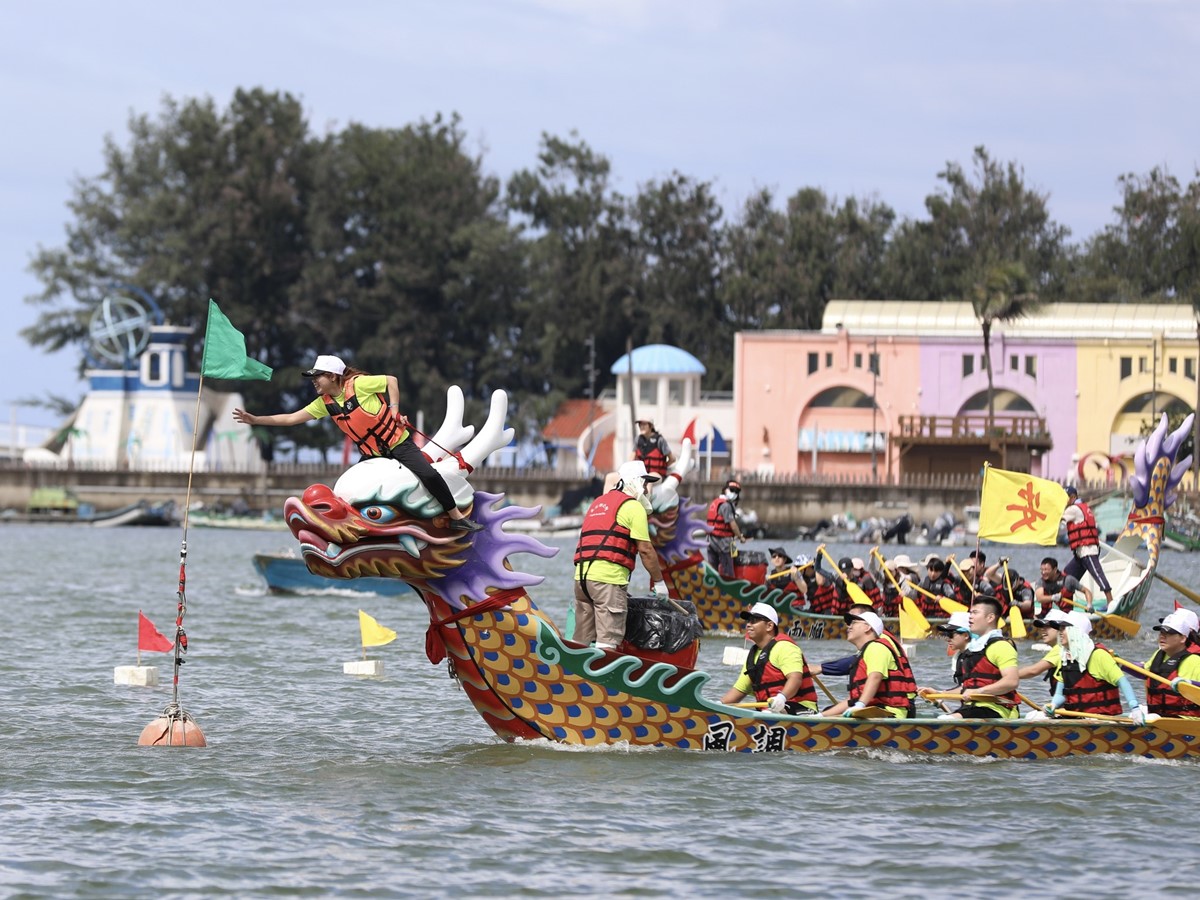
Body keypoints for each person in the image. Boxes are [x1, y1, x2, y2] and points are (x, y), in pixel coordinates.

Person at [232, 354, 482, 533]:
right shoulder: (325, 403)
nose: (314, 381)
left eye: (317, 377)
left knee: (428, 475)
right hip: (371, 454)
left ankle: (456, 516)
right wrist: (255, 419)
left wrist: (395, 410)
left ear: (332, 376)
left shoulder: (359, 385)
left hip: (397, 443)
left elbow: (391, 381)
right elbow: (290, 418)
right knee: (350, 490)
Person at [572, 460, 669, 651]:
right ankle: (602, 680)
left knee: (580, 642)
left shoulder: (598, 503)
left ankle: (571, 676)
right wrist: (659, 582)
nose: (647, 490)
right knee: (607, 642)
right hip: (607, 582)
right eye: (644, 483)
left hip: (581, 581)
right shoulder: (633, 507)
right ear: (634, 481)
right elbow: (646, 550)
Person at [1044, 610, 1146, 722]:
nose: (1060, 632)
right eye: (1060, 628)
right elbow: (1060, 694)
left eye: (1064, 628)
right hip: (1078, 718)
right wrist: (1053, 704)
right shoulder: (1065, 658)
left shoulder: (1098, 655)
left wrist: (1134, 708)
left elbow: (1122, 681)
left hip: (1101, 719)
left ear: (1076, 631)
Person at [720, 602, 818, 714]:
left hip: (802, 708)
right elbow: (738, 692)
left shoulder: (785, 647)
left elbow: (795, 679)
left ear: (769, 626)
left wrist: (782, 698)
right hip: (769, 711)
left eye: (754, 621)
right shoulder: (753, 655)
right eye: (748, 621)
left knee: (770, 712)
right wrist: (716, 706)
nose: (748, 625)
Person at [818, 609, 917, 719]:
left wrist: (861, 705)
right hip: (873, 709)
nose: (849, 627)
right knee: (828, 711)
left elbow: (875, 677)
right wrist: (821, 716)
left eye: (854, 623)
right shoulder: (865, 652)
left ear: (867, 627)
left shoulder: (876, 648)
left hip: (889, 713)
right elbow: (852, 700)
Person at [952, 596, 1020, 719]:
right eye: (970, 612)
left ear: (990, 617)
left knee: (947, 720)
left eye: (975, 612)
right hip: (972, 709)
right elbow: (968, 688)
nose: (970, 616)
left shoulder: (1001, 646)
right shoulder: (972, 650)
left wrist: (978, 692)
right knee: (948, 717)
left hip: (998, 711)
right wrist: (939, 694)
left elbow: (1011, 681)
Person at [1061, 485, 1114, 611]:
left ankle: (1110, 601)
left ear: (1073, 497)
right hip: (1080, 553)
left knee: (1098, 574)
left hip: (1087, 550)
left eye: (1065, 498)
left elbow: (1059, 519)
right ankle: (1068, 607)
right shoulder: (1083, 507)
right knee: (1067, 576)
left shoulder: (1073, 509)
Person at [1144, 609, 1200, 718]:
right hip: (1159, 716)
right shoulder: (1159, 654)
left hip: (1187, 721)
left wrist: (1189, 682)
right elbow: (1143, 673)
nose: (1162, 636)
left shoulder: (1194, 661)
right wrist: (1121, 666)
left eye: (1169, 633)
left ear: (1183, 638)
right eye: (1161, 632)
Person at [1019, 609, 1071, 697]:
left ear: (1061, 628)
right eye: (1042, 626)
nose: (1043, 629)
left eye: (1048, 626)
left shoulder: (1060, 649)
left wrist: (1004, 676)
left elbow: (1033, 671)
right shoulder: (1062, 647)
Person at [706, 479, 745, 579]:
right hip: (723, 544)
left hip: (711, 541)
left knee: (712, 570)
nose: (734, 493)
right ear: (725, 489)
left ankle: (712, 587)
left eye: (736, 492)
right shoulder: (726, 506)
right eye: (731, 490)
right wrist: (740, 537)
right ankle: (730, 587)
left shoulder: (715, 502)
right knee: (728, 571)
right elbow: (733, 524)